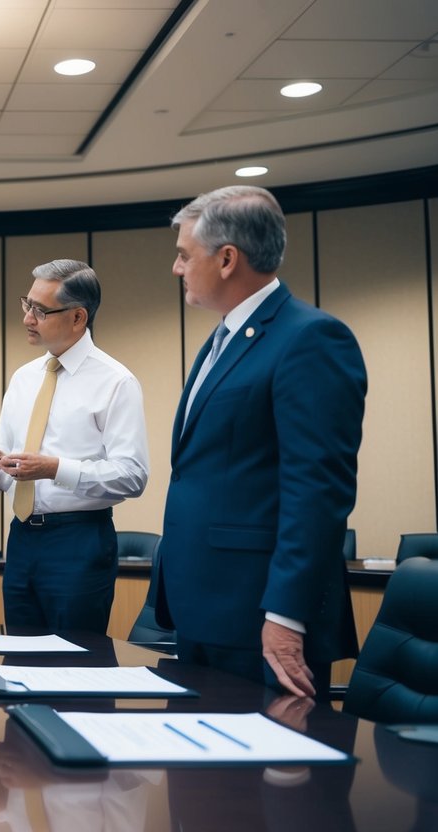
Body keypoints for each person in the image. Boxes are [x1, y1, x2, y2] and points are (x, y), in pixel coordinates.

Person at [156, 185, 365, 697]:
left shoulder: (310, 339)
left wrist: (287, 614)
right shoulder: (223, 338)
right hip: (202, 606)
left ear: (227, 259)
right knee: (199, 771)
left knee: (258, 773)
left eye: (185, 255)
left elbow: (316, 491)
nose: (177, 268)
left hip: (259, 616)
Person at [0, 259, 149, 635]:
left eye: (40, 311)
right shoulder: (24, 378)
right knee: (20, 661)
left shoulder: (116, 381)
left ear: (77, 317)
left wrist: (55, 468)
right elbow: (9, 471)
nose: (27, 319)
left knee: (77, 670)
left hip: (79, 541)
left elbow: (133, 476)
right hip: (22, 539)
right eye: (28, 305)